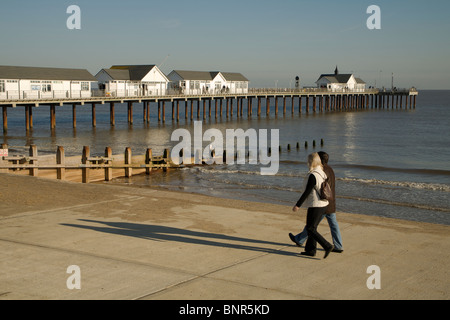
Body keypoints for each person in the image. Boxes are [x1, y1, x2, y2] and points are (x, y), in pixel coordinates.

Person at [289, 151, 344, 253]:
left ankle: (320, 244)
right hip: (330, 201)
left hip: (322, 202)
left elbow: (309, 191)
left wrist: (298, 205)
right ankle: (337, 245)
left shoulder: (320, 171)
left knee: (311, 227)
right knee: (328, 225)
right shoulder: (330, 170)